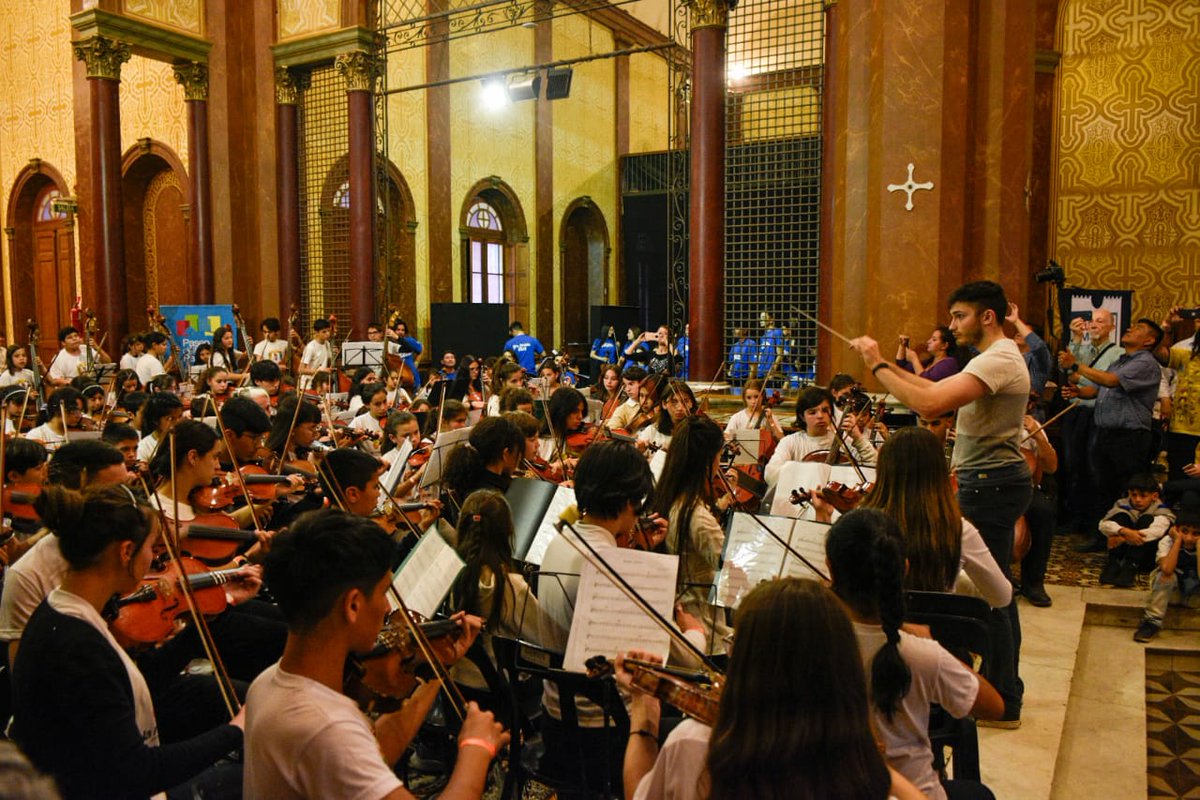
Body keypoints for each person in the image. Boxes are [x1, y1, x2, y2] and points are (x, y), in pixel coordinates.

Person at [851, 280, 1031, 726]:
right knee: (994, 587)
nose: (951, 325)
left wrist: (876, 365)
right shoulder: (989, 358)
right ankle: (999, 683)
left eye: (959, 316)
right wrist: (889, 367)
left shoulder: (1003, 357)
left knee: (996, 593)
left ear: (987, 317)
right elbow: (924, 384)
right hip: (986, 480)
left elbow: (930, 406)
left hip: (991, 483)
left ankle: (1004, 696)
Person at [244, 508, 507, 799]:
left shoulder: (268, 683)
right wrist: (476, 748)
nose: (387, 608)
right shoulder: (325, 727)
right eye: (384, 592)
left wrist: (438, 666)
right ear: (353, 605)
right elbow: (346, 747)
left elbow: (373, 753)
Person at [11, 485, 244, 799]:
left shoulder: (68, 609)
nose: (155, 557)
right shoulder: (76, 644)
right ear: (125, 552)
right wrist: (236, 730)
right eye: (151, 546)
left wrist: (217, 611)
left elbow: (134, 678)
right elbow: (137, 772)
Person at [622, 577, 924, 800]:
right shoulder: (850, 772)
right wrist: (861, 754)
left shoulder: (693, 745)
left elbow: (640, 795)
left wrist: (643, 712)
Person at [827, 508, 1004, 800]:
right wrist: (931, 644)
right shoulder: (919, 652)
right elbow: (995, 707)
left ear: (830, 569)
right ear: (904, 569)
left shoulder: (809, 640)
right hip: (914, 791)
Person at [860, 427, 1011, 609]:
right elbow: (1002, 597)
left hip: (872, 631)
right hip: (936, 632)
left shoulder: (861, 521)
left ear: (883, 470)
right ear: (939, 472)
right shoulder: (958, 529)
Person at [448, 489, 566, 695]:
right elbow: (546, 637)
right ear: (507, 533)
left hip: (457, 682)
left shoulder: (447, 571)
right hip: (499, 690)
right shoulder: (507, 585)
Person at [1058, 317, 1164, 541]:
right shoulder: (1122, 360)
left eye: (1137, 329)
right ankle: (1101, 536)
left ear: (1149, 340)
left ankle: (1125, 541)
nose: (1129, 328)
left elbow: (1111, 381)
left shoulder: (1145, 362)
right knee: (1101, 487)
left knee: (1125, 490)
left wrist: (1076, 365)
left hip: (1129, 437)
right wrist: (1078, 392)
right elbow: (1096, 390)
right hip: (1105, 433)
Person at [650, 415, 732, 655]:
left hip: (675, 615)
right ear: (709, 461)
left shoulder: (668, 497)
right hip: (704, 630)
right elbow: (731, 578)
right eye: (719, 456)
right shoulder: (698, 517)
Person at [1059, 308, 1120, 550]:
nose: (1094, 325)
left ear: (1111, 327)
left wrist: (1080, 377)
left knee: (1093, 472)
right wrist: (1074, 339)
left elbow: (1099, 382)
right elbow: (1069, 372)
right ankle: (1074, 519)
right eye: (1092, 321)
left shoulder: (1118, 353)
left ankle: (1093, 526)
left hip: (1097, 415)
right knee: (1073, 468)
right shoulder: (1084, 348)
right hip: (1075, 413)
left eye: (1101, 322)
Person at [763, 386, 876, 488]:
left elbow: (874, 466)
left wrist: (859, 439)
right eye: (812, 412)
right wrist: (810, 474)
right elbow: (770, 474)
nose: (820, 416)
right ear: (802, 417)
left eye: (825, 410)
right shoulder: (790, 442)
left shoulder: (844, 441)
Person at [1133, 501, 1200, 643]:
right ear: (1176, 530)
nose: (1189, 538)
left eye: (1195, 534)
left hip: (1194, 597)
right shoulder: (1167, 541)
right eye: (1185, 531)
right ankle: (1151, 622)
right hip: (1173, 594)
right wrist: (1177, 542)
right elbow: (1167, 569)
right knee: (1165, 576)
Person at [1097, 473, 1174, 588]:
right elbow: (1103, 524)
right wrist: (1123, 531)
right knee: (1121, 516)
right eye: (1134, 495)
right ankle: (1114, 562)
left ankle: (1131, 566)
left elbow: (1157, 531)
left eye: (1143, 496)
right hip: (1122, 549)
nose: (1137, 500)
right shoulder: (1122, 504)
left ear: (1154, 496)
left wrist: (1122, 538)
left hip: (1145, 555)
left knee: (1146, 519)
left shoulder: (1161, 510)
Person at [442, 416, 524, 521]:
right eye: (518, 453)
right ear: (506, 454)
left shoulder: (469, 477)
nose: (519, 458)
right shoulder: (492, 499)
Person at [1155, 307, 1200, 482]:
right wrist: (1166, 325)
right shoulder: (1185, 351)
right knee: (1180, 483)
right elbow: (1159, 353)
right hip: (1183, 428)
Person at [26, 387, 83, 452]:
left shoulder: (79, 435)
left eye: (80, 411)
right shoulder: (36, 435)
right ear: (57, 409)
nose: (79, 416)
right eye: (73, 410)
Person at [896, 326, 961, 381]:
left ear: (944, 345)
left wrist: (914, 359)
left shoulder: (949, 363)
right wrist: (902, 345)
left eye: (934, 339)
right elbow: (902, 368)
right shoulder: (930, 361)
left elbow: (926, 382)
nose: (928, 341)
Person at [385, 317, 424, 390]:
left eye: (403, 330)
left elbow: (421, 347)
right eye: (398, 330)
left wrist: (416, 362)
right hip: (396, 380)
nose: (400, 332)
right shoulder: (390, 344)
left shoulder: (409, 341)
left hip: (411, 378)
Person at [605, 366, 648, 431]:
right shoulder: (623, 409)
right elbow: (612, 427)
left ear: (642, 383)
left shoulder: (653, 402)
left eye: (631, 384)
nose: (627, 389)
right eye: (625, 385)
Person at [299, 319, 334, 390]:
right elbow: (301, 370)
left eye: (328, 331)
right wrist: (320, 371)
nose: (327, 333)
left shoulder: (327, 344)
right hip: (308, 385)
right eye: (324, 332)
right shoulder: (311, 347)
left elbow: (328, 363)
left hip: (320, 384)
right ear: (316, 332)